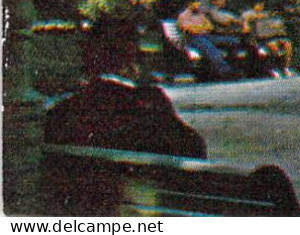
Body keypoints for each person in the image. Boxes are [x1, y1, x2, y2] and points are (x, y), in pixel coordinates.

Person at [43, 17, 207, 158]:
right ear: (132, 56)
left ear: (88, 55)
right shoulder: (151, 102)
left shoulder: (64, 111)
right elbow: (193, 147)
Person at [176, 0, 235, 79]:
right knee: (210, 49)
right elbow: (191, 30)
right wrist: (202, 28)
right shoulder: (183, 16)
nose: (198, 4)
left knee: (231, 41)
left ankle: (238, 65)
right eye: (196, 3)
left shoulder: (200, 14)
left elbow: (210, 26)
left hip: (206, 36)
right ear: (190, 4)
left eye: (198, 2)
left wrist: (199, 28)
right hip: (193, 38)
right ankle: (225, 71)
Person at [243, 0, 294, 76]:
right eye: (259, 4)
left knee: (288, 45)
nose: (261, 7)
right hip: (259, 39)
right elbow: (246, 26)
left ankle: (286, 67)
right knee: (273, 45)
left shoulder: (266, 14)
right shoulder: (248, 14)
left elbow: (273, 25)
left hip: (272, 36)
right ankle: (274, 68)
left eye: (262, 5)